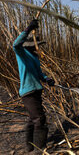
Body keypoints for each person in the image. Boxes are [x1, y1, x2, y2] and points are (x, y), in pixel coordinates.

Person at [13, 19, 55, 152]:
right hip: (28, 92)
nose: (37, 47)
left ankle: (29, 147)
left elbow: (39, 73)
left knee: (33, 118)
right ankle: (39, 149)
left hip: (36, 91)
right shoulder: (21, 53)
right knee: (39, 118)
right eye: (35, 44)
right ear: (29, 44)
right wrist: (28, 29)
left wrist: (47, 79)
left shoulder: (34, 57)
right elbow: (15, 44)